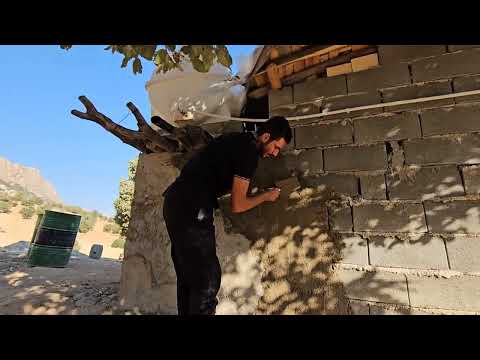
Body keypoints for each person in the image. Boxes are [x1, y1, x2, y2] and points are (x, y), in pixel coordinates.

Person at [162, 116, 292, 315]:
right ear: (266, 137)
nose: (275, 154)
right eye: (276, 147)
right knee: (206, 281)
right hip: (192, 205)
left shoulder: (235, 140)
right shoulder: (249, 153)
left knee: (189, 279)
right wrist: (266, 196)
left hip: (174, 201)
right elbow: (238, 205)